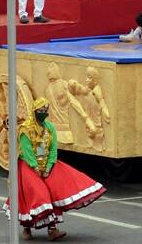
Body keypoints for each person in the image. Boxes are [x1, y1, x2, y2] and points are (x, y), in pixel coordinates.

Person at [7, 98, 105, 241]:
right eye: (40, 111)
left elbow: (53, 149)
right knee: (36, 196)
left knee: (55, 193)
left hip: (48, 166)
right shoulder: (25, 129)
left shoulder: (50, 127)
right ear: (34, 112)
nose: (43, 113)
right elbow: (26, 150)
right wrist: (35, 167)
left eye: (45, 111)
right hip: (29, 167)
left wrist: (48, 166)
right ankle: (26, 228)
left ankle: (52, 229)